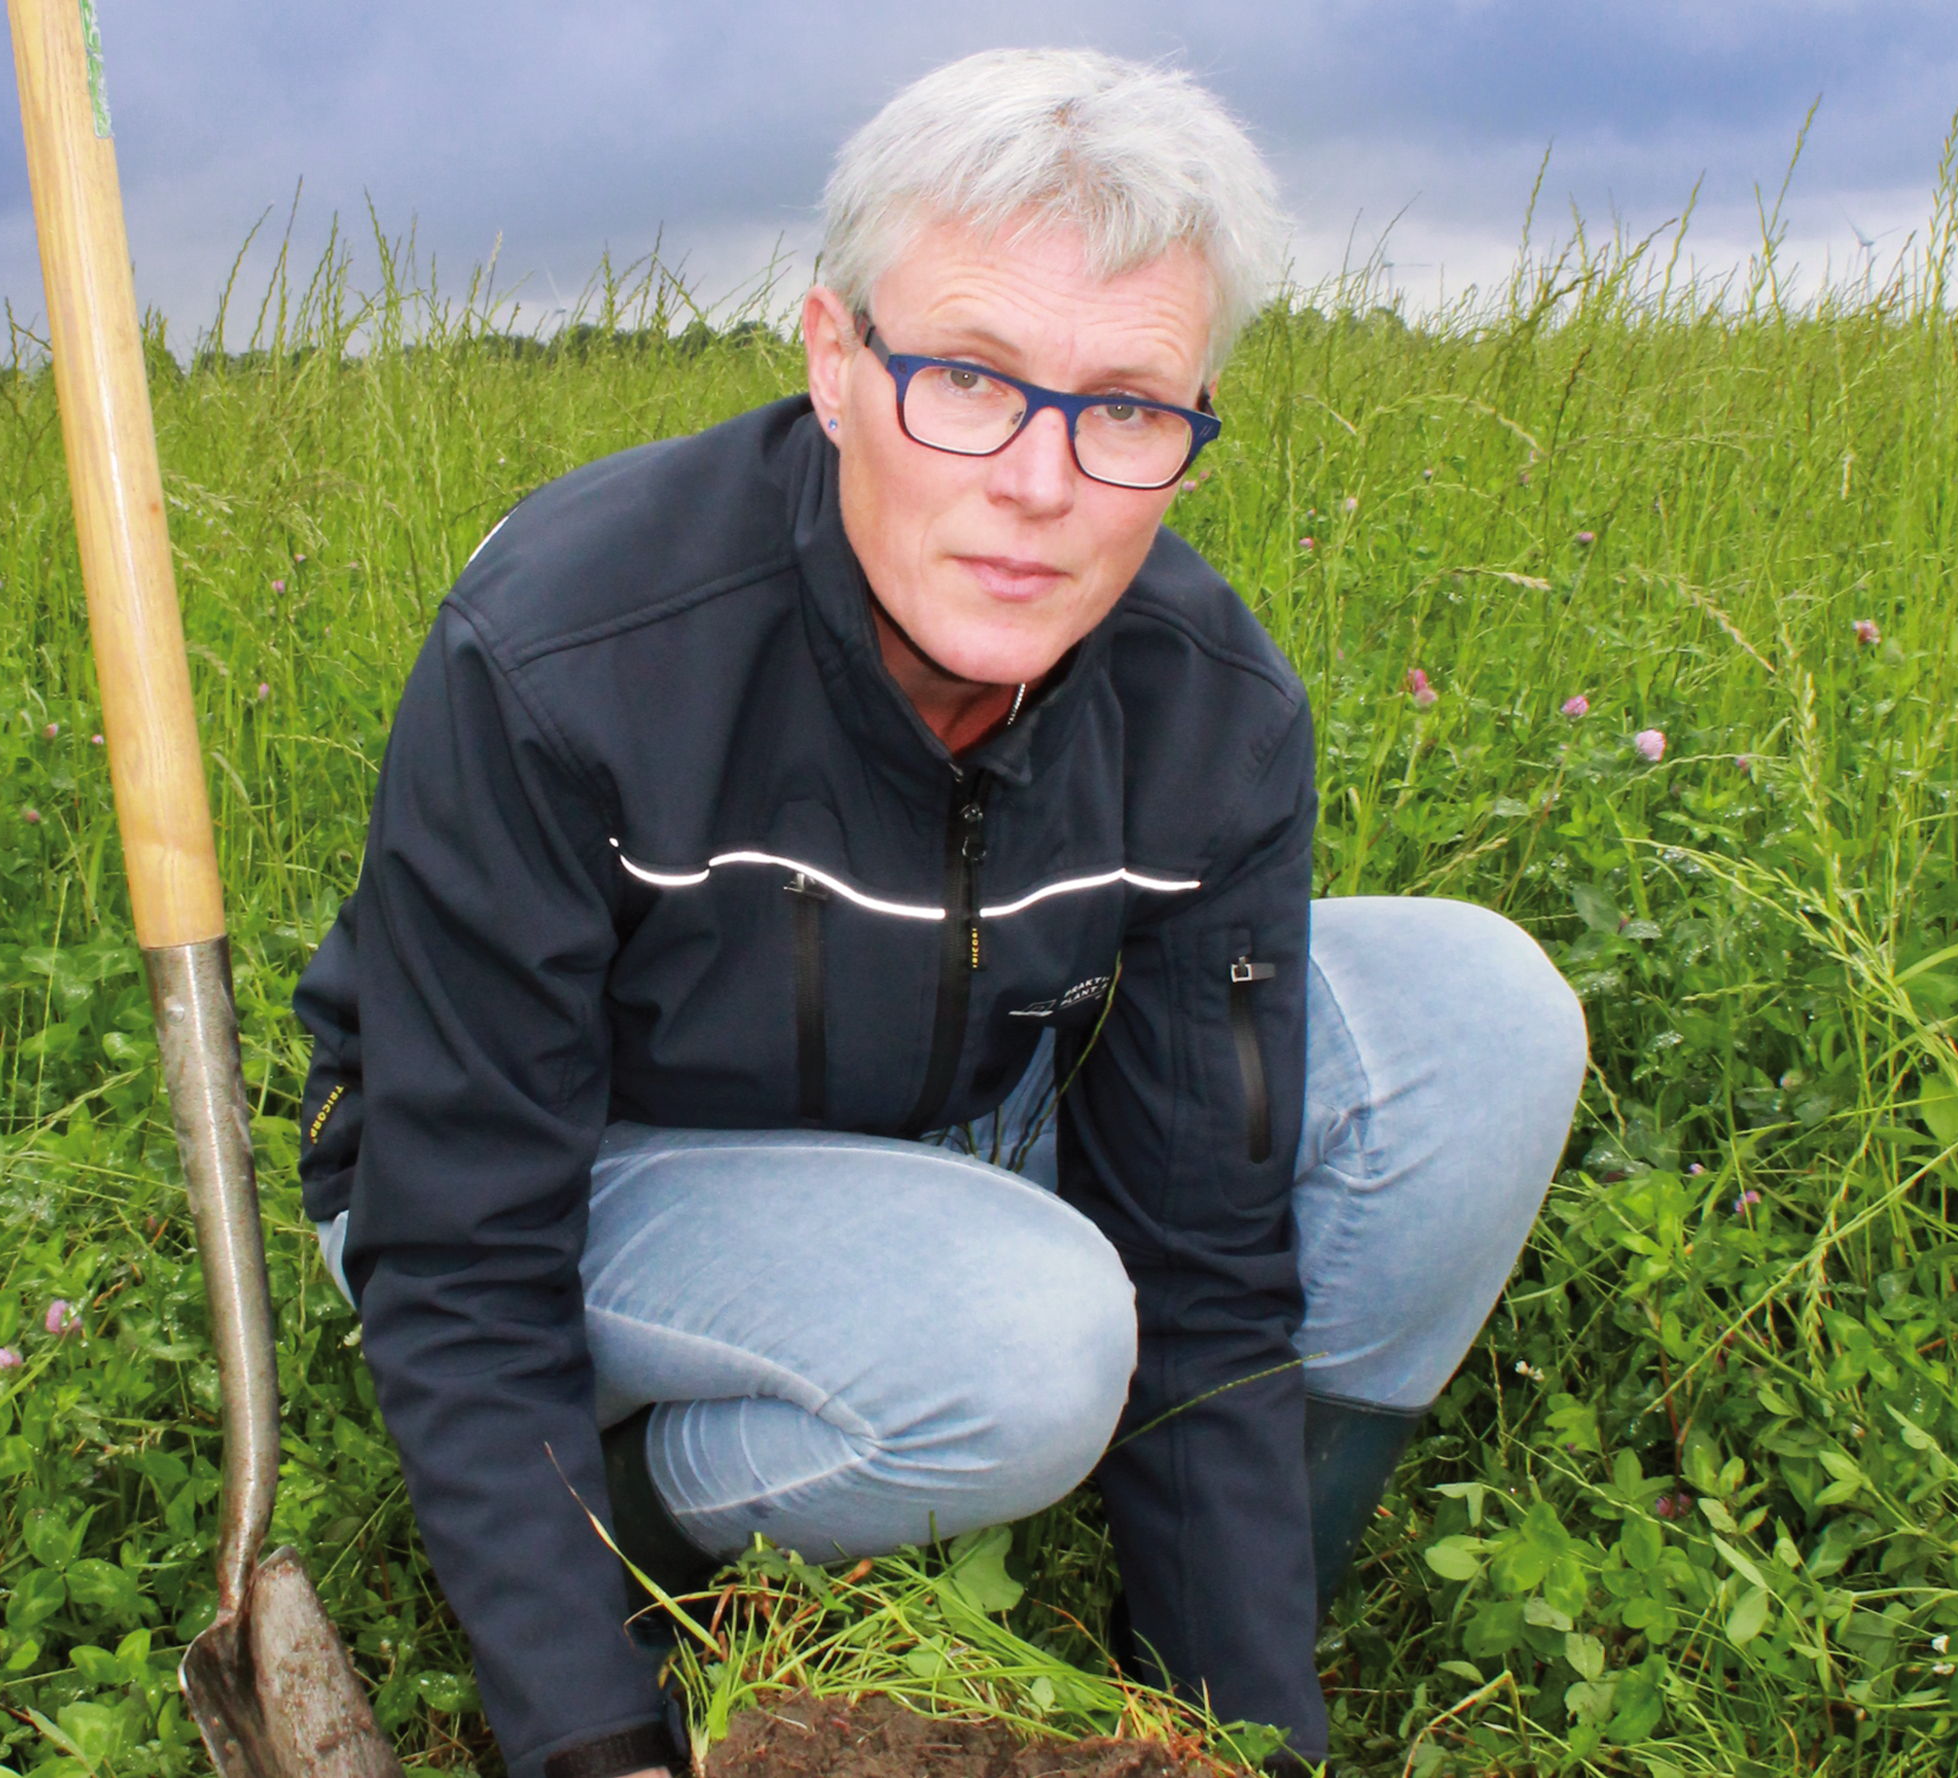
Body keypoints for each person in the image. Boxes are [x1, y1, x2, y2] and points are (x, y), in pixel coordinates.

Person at [290, 47, 1586, 1778]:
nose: (1041, 482)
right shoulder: (568, 656)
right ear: (835, 362)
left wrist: (1250, 1741)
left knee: (1482, 1017)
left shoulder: (1213, 712)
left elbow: (1204, 1244)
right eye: (968, 377)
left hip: (945, 1116)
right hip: (565, 1171)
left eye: (1127, 403)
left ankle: (1197, 1636)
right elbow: (456, 1245)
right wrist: (591, 1737)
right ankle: (626, 1525)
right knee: (1029, 1332)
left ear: (1192, 436)